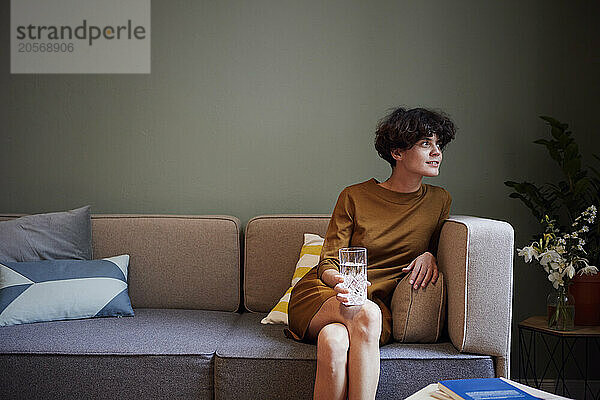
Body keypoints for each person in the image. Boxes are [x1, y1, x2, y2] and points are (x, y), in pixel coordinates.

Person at [284, 107, 456, 399]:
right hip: (326, 294)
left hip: (375, 304)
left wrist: (431, 255)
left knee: (335, 339)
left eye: (439, 144)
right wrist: (340, 283)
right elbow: (328, 260)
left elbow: (436, 246)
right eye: (426, 143)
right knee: (364, 312)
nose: (436, 152)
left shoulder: (439, 200)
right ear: (398, 152)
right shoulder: (354, 196)